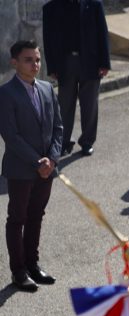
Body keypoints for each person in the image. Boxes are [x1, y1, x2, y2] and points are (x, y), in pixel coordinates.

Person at [0, 40, 63, 293]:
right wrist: (37, 161)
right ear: (14, 62)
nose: (35, 64)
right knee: (18, 218)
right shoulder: (5, 93)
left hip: (47, 168)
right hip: (22, 169)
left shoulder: (47, 89)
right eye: (28, 60)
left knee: (36, 216)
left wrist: (53, 159)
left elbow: (58, 127)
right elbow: (11, 135)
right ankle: (19, 271)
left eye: (37, 59)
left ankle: (33, 265)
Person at [42, 0, 111, 157]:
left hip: (91, 62)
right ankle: (63, 142)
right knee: (64, 105)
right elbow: (48, 39)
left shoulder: (94, 5)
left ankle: (87, 142)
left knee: (90, 104)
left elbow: (103, 33)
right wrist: (52, 66)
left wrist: (105, 62)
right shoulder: (51, 8)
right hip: (65, 63)